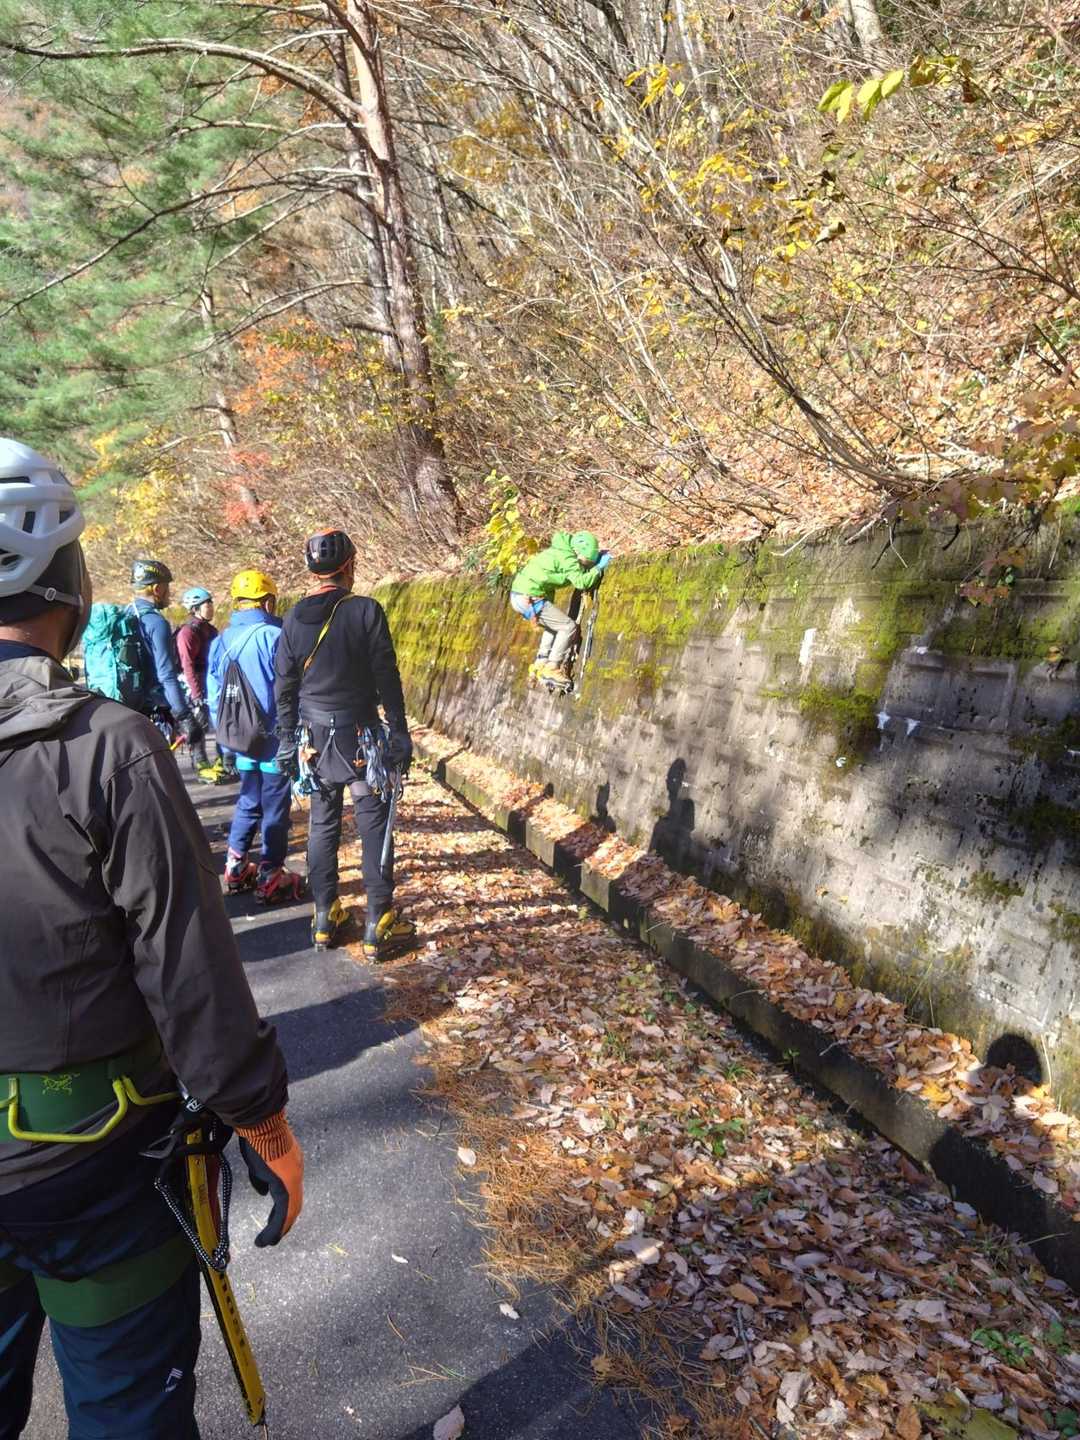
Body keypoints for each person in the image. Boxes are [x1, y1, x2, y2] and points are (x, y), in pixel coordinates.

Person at [0, 437, 303, 1438]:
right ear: (66, 578)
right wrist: (261, 1120)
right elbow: (186, 969)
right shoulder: (107, 747)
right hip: (90, 1160)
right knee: (129, 1409)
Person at [274, 529, 415, 957]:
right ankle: (378, 919)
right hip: (361, 737)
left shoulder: (293, 619)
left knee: (323, 822)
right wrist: (399, 730)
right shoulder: (366, 610)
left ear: (312, 571)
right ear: (350, 566)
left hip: (314, 740)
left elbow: (284, 686)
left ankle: (324, 916)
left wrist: (286, 740)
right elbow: (387, 676)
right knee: (372, 821)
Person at [207, 570, 304, 906]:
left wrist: (225, 737)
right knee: (275, 807)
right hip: (274, 740)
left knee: (249, 800)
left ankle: (235, 866)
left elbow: (214, 696)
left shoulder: (220, 642)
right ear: (268, 602)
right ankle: (270, 872)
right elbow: (290, 691)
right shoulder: (275, 637)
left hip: (239, 739)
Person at [130, 557, 215, 783]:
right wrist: (184, 715)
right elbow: (166, 674)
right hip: (153, 711)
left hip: (126, 707)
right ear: (157, 589)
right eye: (167, 587)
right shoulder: (156, 622)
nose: (169, 593)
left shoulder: (125, 615)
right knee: (161, 777)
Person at [510, 531, 611, 685]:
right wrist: (597, 569)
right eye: (584, 563)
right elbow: (580, 582)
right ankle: (552, 668)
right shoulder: (568, 558)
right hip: (530, 598)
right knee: (568, 627)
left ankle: (540, 663)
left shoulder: (558, 552)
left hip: (519, 596)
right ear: (578, 553)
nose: (583, 566)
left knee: (554, 626)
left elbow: (562, 578)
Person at [176, 585, 235, 782]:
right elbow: (187, 665)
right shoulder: (187, 633)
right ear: (195, 608)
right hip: (193, 684)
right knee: (199, 725)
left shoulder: (210, 630)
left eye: (211, 603)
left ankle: (221, 761)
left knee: (221, 721)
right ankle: (201, 765)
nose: (211, 607)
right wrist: (196, 695)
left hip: (211, 682)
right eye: (206, 604)